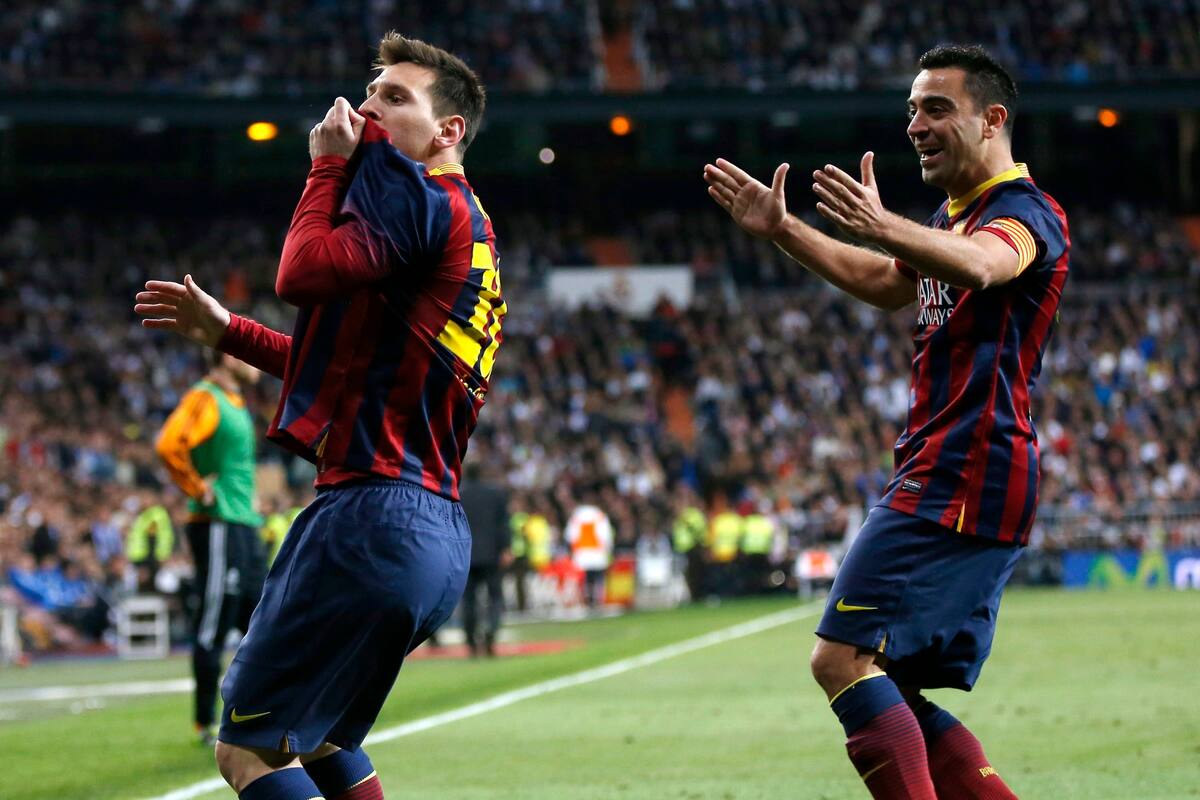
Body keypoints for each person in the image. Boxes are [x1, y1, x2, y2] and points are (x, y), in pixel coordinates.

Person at [134, 32, 504, 800]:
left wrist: (327, 166)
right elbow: (346, 364)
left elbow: (300, 273)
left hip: (369, 515)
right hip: (432, 531)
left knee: (250, 752)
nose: (368, 109)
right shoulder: (469, 225)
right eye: (372, 93)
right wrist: (229, 332)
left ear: (448, 131)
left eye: (395, 98)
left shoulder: (424, 202)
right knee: (327, 740)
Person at [705, 44, 1068, 799]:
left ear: (993, 118)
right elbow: (886, 281)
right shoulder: (952, 216)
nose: (915, 124)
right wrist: (784, 230)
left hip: (964, 471)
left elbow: (983, 266)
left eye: (937, 108)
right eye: (911, 110)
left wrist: (882, 223)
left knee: (840, 659)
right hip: (954, 469)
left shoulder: (1025, 213)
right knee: (890, 680)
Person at [155, 350, 266, 747]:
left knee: (263, 618)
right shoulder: (205, 397)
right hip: (218, 524)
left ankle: (264, 710)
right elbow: (169, 445)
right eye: (246, 353)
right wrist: (199, 488)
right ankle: (204, 722)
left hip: (244, 525)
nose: (256, 361)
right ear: (226, 357)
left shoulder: (236, 403)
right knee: (213, 620)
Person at [457, 461, 511, 657]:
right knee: (495, 597)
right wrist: (506, 548)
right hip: (491, 556)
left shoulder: (459, 495)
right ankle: (491, 632)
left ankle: (471, 642)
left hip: (466, 556)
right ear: (482, 473)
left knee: (468, 600)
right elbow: (503, 524)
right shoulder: (495, 494)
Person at [564, 497, 613, 608]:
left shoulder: (576, 516)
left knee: (585, 580)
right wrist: (608, 550)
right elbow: (606, 536)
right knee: (598, 578)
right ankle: (597, 600)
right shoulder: (600, 515)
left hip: (582, 554)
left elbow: (570, 536)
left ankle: (587, 600)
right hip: (597, 554)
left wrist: (572, 550)